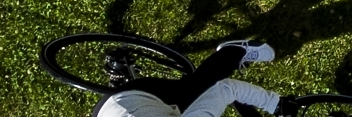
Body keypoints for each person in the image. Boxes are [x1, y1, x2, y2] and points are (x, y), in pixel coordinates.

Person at [95, 39, 295, 117]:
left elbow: (226, 89)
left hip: (138, 95)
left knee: (197, 86)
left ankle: (233, 52)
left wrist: (275, 104)